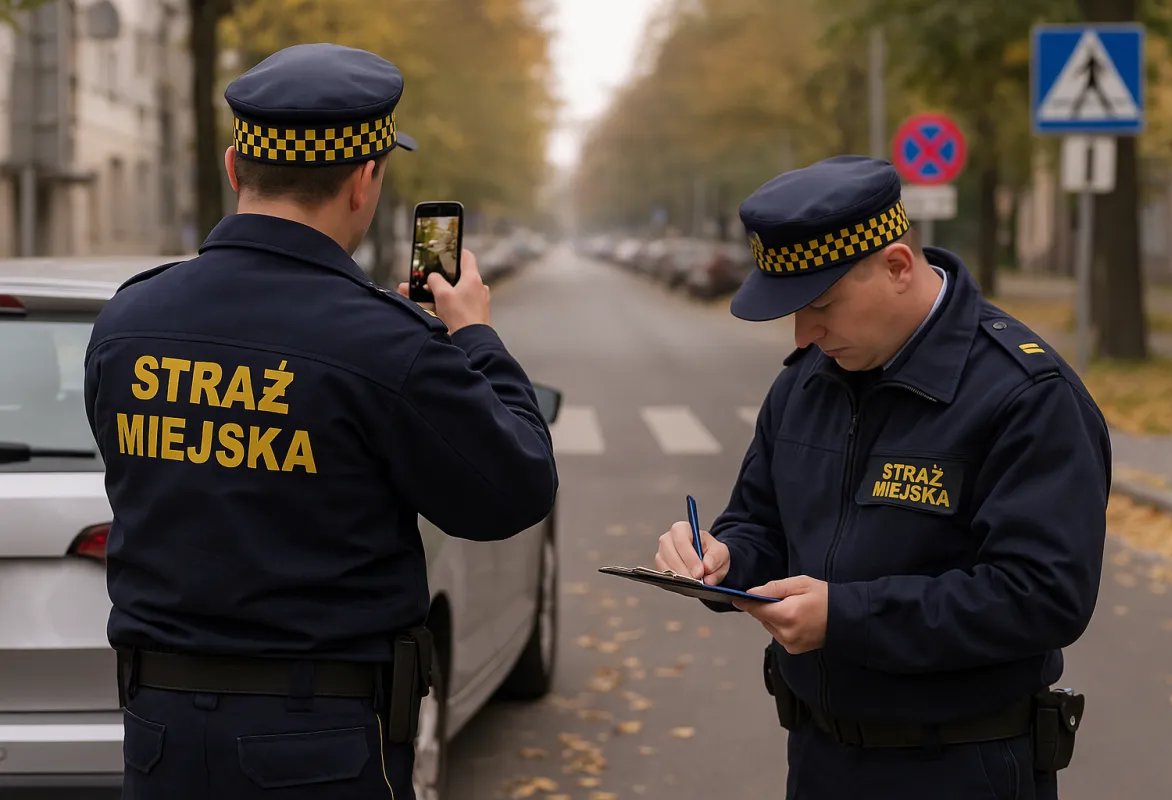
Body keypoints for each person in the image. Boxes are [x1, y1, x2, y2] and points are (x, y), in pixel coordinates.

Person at [83, 42, 558, 799]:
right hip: (319, 744)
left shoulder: (127, 321)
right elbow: (518, 486)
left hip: (159, 736)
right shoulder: (386, 343)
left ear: (236, 168)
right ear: (365, 181)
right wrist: (474, 336)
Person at [654, 155, 1110, 800]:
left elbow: (1042, 595)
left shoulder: (1024, 394)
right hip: (817, 758)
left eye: (822, 305)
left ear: (897, 266)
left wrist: (847, 617)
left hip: (960, 766)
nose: (805, 332)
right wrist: (723, 561)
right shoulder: (805, 382)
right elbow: (761, 521)